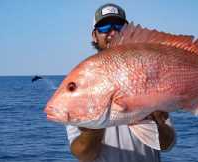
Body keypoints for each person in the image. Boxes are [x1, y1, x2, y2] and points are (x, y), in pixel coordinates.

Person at [66, 3, 176, 162]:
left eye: (119, 25)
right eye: (104, 27)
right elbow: (83, 154)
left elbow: (167, 144)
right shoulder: (83, 79)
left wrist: (159, 124)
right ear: (94, 35)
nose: (112, 31)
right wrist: (95, 126)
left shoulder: (147, 69)